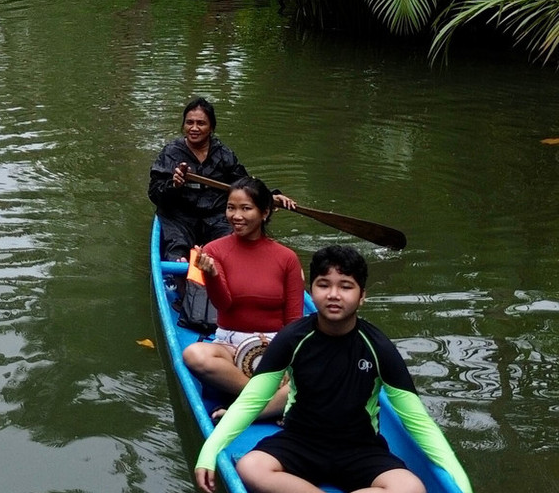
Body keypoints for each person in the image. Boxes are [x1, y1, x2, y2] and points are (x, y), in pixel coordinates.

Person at [194, 245, 474, 493]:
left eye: (346, 286)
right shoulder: (293, 338)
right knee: (251, 467)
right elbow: (251, 401)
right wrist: (209, 451)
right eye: (324, 284)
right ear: (312, 291)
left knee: (411, 487)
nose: (334, 295)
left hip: (360, 448)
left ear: (362, 295)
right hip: (301, 441)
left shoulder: (378, 347)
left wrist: (462, 483)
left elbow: (418, 421)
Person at [181, 177, 303, 419]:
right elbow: (223, 304)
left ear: (264, 213)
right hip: (230, 346)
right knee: (194, 355)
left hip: (274, 348)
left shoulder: (287, 258)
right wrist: (212, 275)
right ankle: (266, 400)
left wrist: (287, 359)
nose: (236, 216)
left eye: (246, 208)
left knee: (318, 369)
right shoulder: (214, 250)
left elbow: (294, 320)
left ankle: (248, 412)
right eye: (231, 208)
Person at [149, 97, 296, 260]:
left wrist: (269, 196)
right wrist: (174, 185)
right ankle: (180, 270)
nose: (194, 128)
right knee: (176, 250)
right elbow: (154, 194)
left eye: (201, 123)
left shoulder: (223, 155)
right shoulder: (171, 153)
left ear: (211, 127)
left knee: (234, 249)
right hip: (179, 217)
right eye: (189, 122)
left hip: (216, 217)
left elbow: (244, 185)